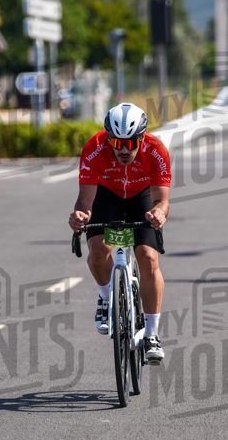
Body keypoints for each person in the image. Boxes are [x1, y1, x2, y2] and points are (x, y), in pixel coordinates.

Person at [68, 102, 171, 364]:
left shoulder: (156, 149)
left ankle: (151, 333)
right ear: (108, 140)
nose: (124, 150)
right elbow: (85, 201)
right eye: (116, 143)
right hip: (107, 196)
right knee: (98, 250)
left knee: (148, 257)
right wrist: (80, 215)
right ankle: (105, 297)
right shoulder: (94, 148)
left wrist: (159, 213)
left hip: (141, 198)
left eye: (131, 143)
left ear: (141, 138)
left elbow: (162, 200)